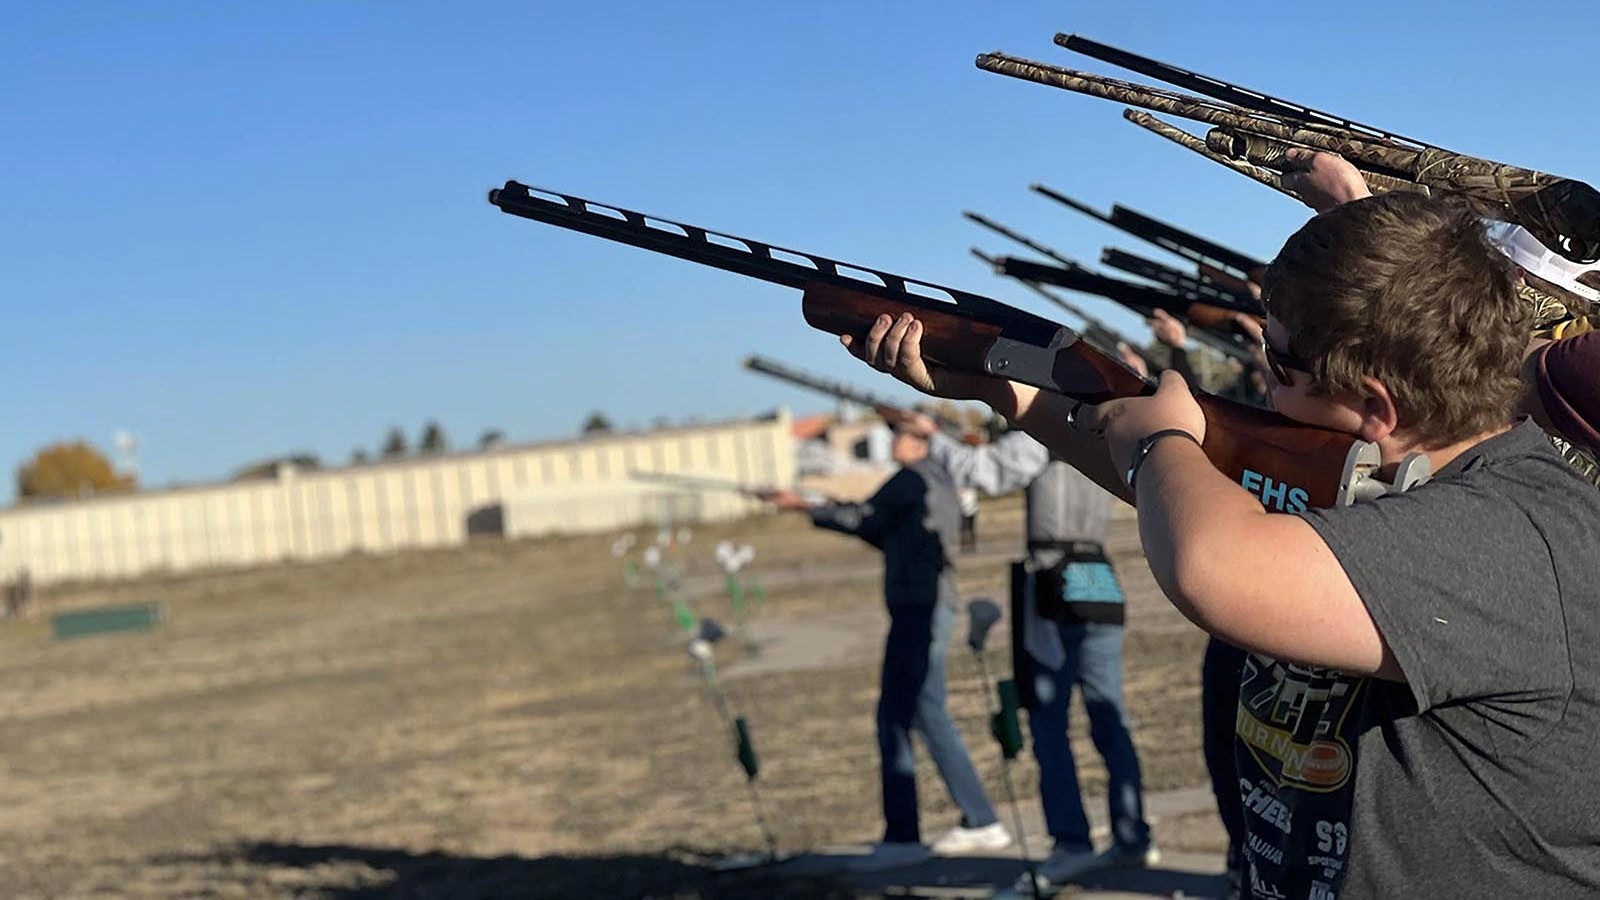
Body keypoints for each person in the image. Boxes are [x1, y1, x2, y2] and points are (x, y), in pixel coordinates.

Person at [840, 192, 1600, 897]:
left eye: (1279, 364)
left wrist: (1166, 436)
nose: (1263, 387)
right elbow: (1193, 496)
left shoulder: (1505, 533)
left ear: (1375, 404)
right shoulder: (1398, 480)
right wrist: (1007, 391)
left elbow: (1210, 563)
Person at [882, 400, 1157, 894]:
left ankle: (1071, 843)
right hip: (1100, 576)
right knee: (1108, 713)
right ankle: (1132, 832)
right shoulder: (1105, 434)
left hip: (1052, 580)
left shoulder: (1048, 435)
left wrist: (932, 437)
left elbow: (984, 472)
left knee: (1048, 721)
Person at [763, 421, 1010, 870]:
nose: (891, 438)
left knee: (908, 712)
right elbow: (877, 526)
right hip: (923, 605)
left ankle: (952, 826)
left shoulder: (911, 479)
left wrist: (802, 506)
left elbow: (865, 519)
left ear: (921, 439)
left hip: (920, 607)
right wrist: (821, 507)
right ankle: (947, 824)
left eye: (899, 431)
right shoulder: (930, 479)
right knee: (911, 712)